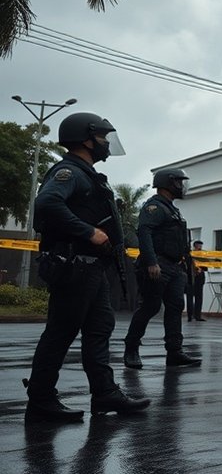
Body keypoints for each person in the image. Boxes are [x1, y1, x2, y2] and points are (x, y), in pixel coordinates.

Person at [25, 112, 150, 422]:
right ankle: (40, 399)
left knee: (99, 329)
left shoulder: (87, 174)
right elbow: (47, 203)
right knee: (61, 332)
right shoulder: (69, 172)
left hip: (91, 268)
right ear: (86, 139)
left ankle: (105, 393)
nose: (106, 143)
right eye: (103, 137)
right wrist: (88, 232)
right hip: (75, 266)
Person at [123, 168, 201, 370]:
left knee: (175, 307)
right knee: (150, 306)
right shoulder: (155, 207)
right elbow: (144, 233)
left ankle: (174, 352)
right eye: (179, 182)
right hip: (158, 264)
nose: (182, 186)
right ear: (169, 183)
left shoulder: (172, 209)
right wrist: (151, 262)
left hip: (174, 267)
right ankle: (131, 349)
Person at [187, 240, 208, 322]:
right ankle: (190, 315)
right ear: (195, 246)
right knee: (190, 296)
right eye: (199, 245)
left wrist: (201, 268)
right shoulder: (190, 254)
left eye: (201, 246)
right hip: (191, 277)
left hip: (200, 277)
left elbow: (205, 267)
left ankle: (197, 315)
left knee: (199, 297)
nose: (200, 247)